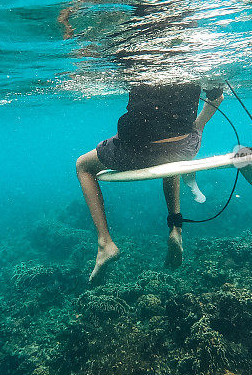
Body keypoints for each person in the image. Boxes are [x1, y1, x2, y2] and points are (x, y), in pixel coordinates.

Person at [76, 81, 225, 282]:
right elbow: (217, 98)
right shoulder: (194, 60)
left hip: (135, 153)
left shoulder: (136, 60)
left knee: (83, 166)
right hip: (183, 148)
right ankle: (176, 229)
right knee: (175, 153)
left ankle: (105, 244)